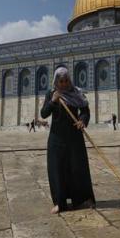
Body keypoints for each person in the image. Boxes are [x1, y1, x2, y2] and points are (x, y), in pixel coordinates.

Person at [41, 67, 95, 214]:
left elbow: (85, 110)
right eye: (61, 81)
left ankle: (82, 199)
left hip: (74, 137)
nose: (64, 84)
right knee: (57, 169)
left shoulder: (76, 93)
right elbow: (44, 113)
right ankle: (60, 202)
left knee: (78, 168)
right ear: (56, 81)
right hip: (56, 138)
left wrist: (82, 120)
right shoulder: (51, 94)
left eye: (66, 81)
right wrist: (52, 101)